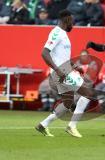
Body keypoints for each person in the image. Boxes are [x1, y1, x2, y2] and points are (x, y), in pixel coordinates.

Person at [35, 10, 92, 138]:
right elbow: (44, 53)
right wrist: (58, 70)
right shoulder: (56, 33)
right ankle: (72, 126)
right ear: (66, 20)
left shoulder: (63, 34)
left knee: (67, 103)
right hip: (61, 72)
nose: (73, 24)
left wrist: (75, 66)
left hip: (66, 70)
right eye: (72, 21)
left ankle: (43, 125)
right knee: (87, 93)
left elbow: (62, 57)